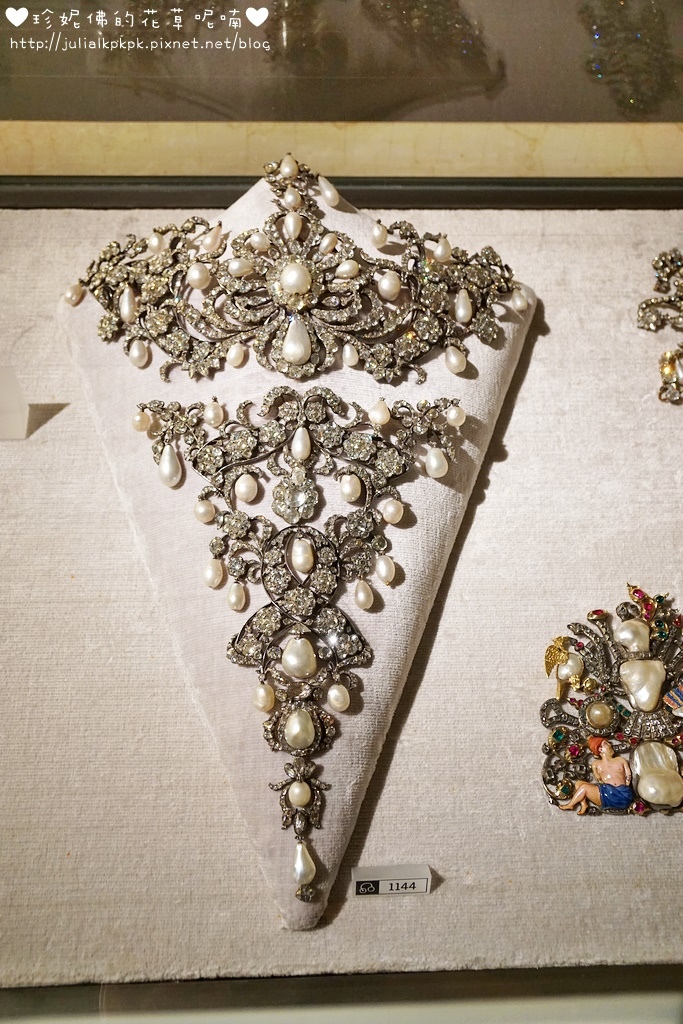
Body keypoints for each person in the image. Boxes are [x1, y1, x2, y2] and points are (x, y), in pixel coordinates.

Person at [559, 736, 633, 815]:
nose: (610, 745)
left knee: (584, 788)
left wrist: (625, 787)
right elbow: (599, 779)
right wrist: (607, 787)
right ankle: (584, 804)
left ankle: (571, 804)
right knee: (578, 783)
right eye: (606, 743)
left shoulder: (620, 760)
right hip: (607, 794)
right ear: (600, 749)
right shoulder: (596, 764)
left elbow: (628, 774)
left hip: (623, 795)